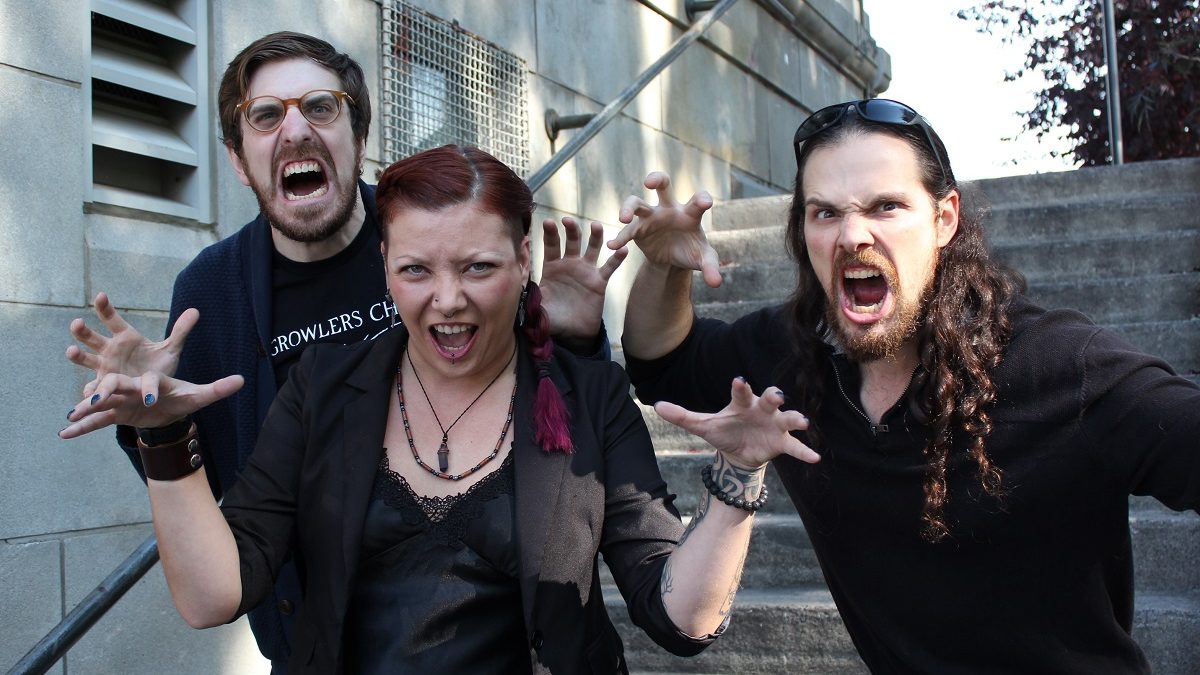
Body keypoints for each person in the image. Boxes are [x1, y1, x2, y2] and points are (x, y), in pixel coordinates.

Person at [62, 145, 818, 673]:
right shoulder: (324, 386)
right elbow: (214, 595)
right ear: (385, 267)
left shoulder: (587, 395)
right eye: (416, 269)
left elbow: (678, 617)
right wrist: (165, 436)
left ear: (524, 260)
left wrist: (737, 478)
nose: (447, 298)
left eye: (478, 267)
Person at [59, 32, 621, 670]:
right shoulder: (210, 292)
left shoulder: (436, 234)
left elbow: (561, 421)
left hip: (506, 633)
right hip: (318, 643)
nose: (296, 129)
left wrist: (577, 341)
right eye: (265, 115)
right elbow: (214, 510)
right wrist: (152, 424)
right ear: (239, 160)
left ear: (359, 135)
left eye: (320, 107)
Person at [613, 98, 1200, 672]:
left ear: (945, 219)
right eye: (825, 213)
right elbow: (661, 362)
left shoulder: (1062, 366)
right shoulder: (787, 357)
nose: (852, 236)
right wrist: (664, 265)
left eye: (886, 206)